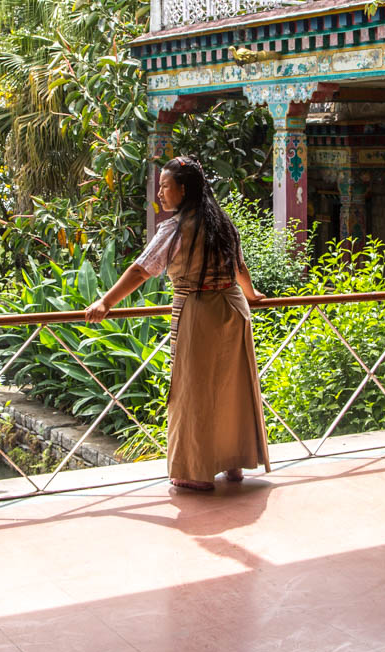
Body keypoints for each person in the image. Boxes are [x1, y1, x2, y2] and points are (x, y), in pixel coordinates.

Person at [84, 156, 271, 491]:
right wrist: (251, 294)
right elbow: (239, 267)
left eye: (165, 186)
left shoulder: (176, 228)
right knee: (232, 389)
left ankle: (194, 471)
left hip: (199, 312)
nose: (160, 194)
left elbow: (142, 270)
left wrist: (105, 302)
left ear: (184, 190)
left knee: (192, 391)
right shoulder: (221, 222)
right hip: (234, 308)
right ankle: (233, 463)